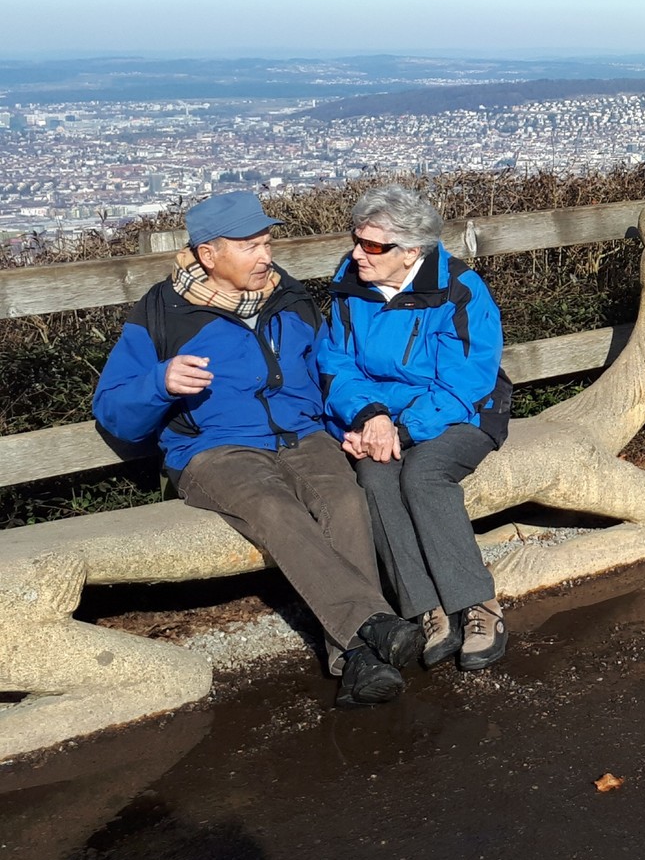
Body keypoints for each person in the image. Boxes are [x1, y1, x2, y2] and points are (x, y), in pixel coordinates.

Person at [92, 192, 424, 709]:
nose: (265, 255)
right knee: (276, 510)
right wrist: (160, 383)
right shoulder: (161, 313)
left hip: (304, 437)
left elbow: (326, 372)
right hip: (214, 452)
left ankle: (356, 661)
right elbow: (114, 413)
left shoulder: (288, 297)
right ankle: (371, 623)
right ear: (208, 254)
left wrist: (354, 423)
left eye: (266, 242)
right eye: (249, 246)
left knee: (345, 502)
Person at [319, 185, 511, 672]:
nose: (357, 253)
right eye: (356, 240)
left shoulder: (461, 291)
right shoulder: (350, 285)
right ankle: (425, 608)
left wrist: (402, 432)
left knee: (423, 474)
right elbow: (335, 363)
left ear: (411, 253)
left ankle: (477, 604)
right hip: (380, 417)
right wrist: (369, 417)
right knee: (375, 476)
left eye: (373, 246)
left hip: (462, 412)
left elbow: (465, 381)